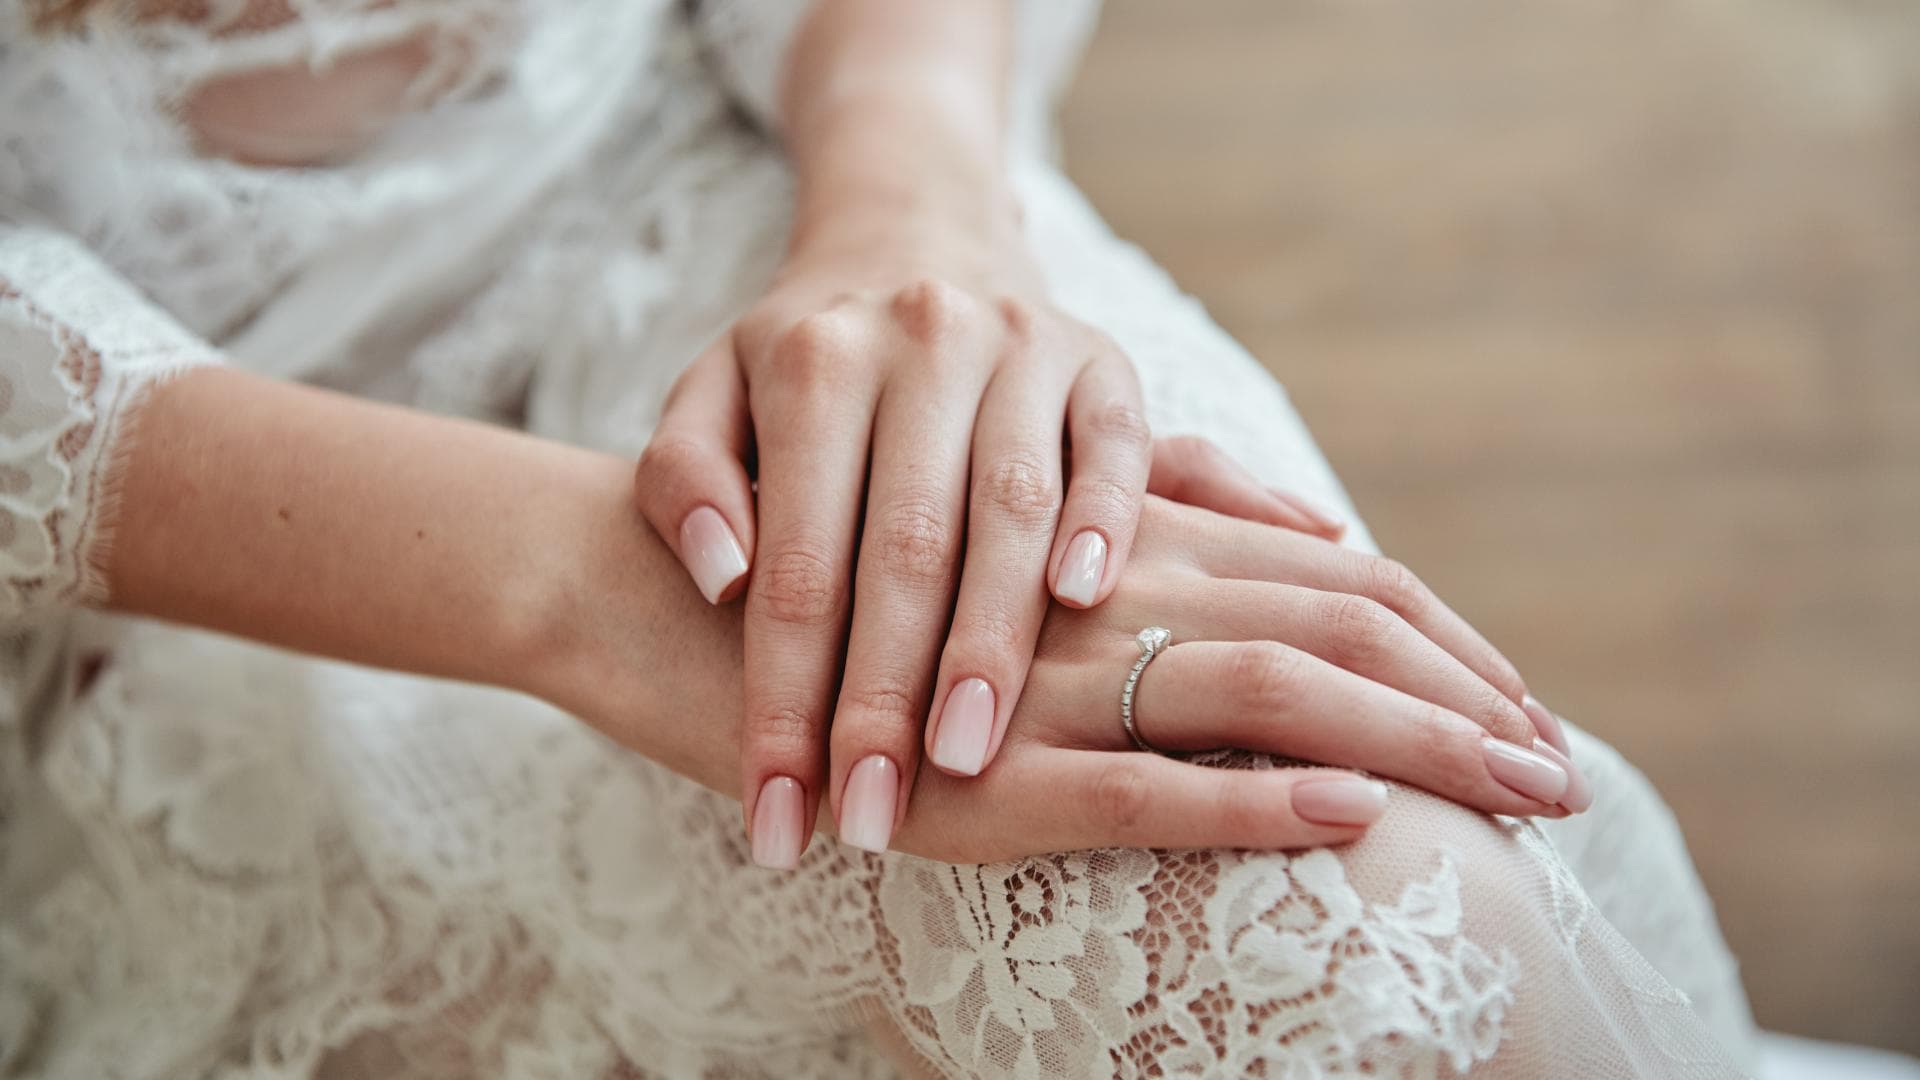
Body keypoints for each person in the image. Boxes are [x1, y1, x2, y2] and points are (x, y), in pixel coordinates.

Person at [0, 0, 1755, 1075]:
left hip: (764, 221)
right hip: (159, 549)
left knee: (1372, 933)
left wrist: (913, 211)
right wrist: (591, 593)